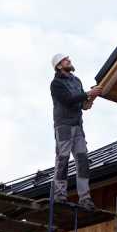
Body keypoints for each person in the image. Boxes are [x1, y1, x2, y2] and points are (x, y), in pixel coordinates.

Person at [49, 53, 102, 210]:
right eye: (66, 60)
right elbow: (68, 100)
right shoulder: (56, 84)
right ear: (59, 66)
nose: (69, 60)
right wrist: (87, 94)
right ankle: (59, 196)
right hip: (63, 126)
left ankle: (85, 198)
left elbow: (82, 105)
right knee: (63, 160)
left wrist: (90, 99)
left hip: (78, 126)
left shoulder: (76, 81)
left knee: (83, 161)